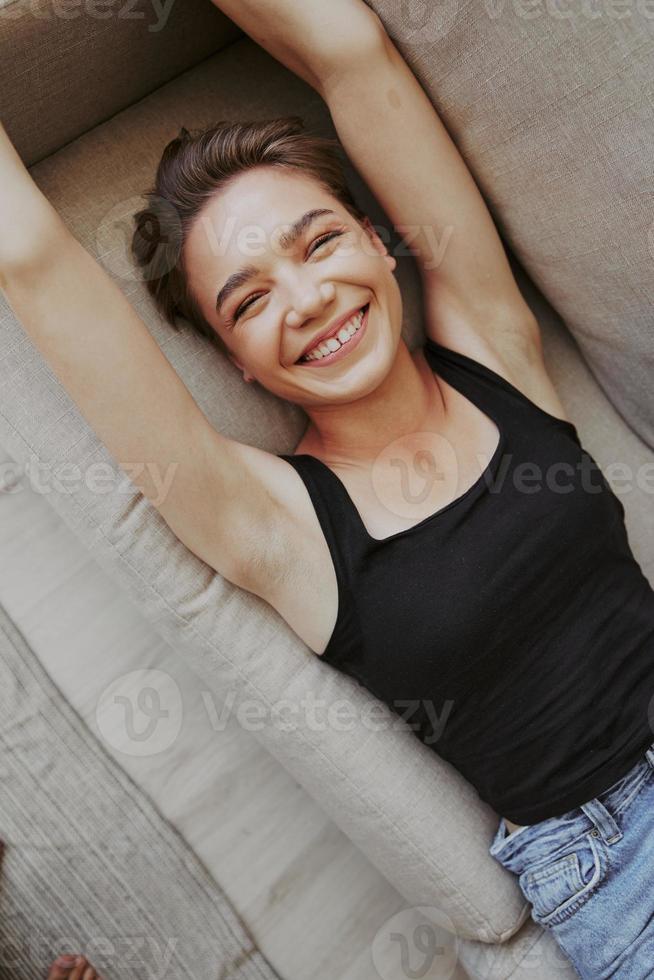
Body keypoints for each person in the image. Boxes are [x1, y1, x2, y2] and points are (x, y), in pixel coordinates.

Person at [1, 1, 653, 975]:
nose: (305, 300)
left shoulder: (493, 346)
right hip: (617, 861)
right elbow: (33, 263)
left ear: (380, 243)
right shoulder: (277, 526)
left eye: (316, 243)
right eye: (250, 300)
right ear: (242, 366)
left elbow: (351, 50)